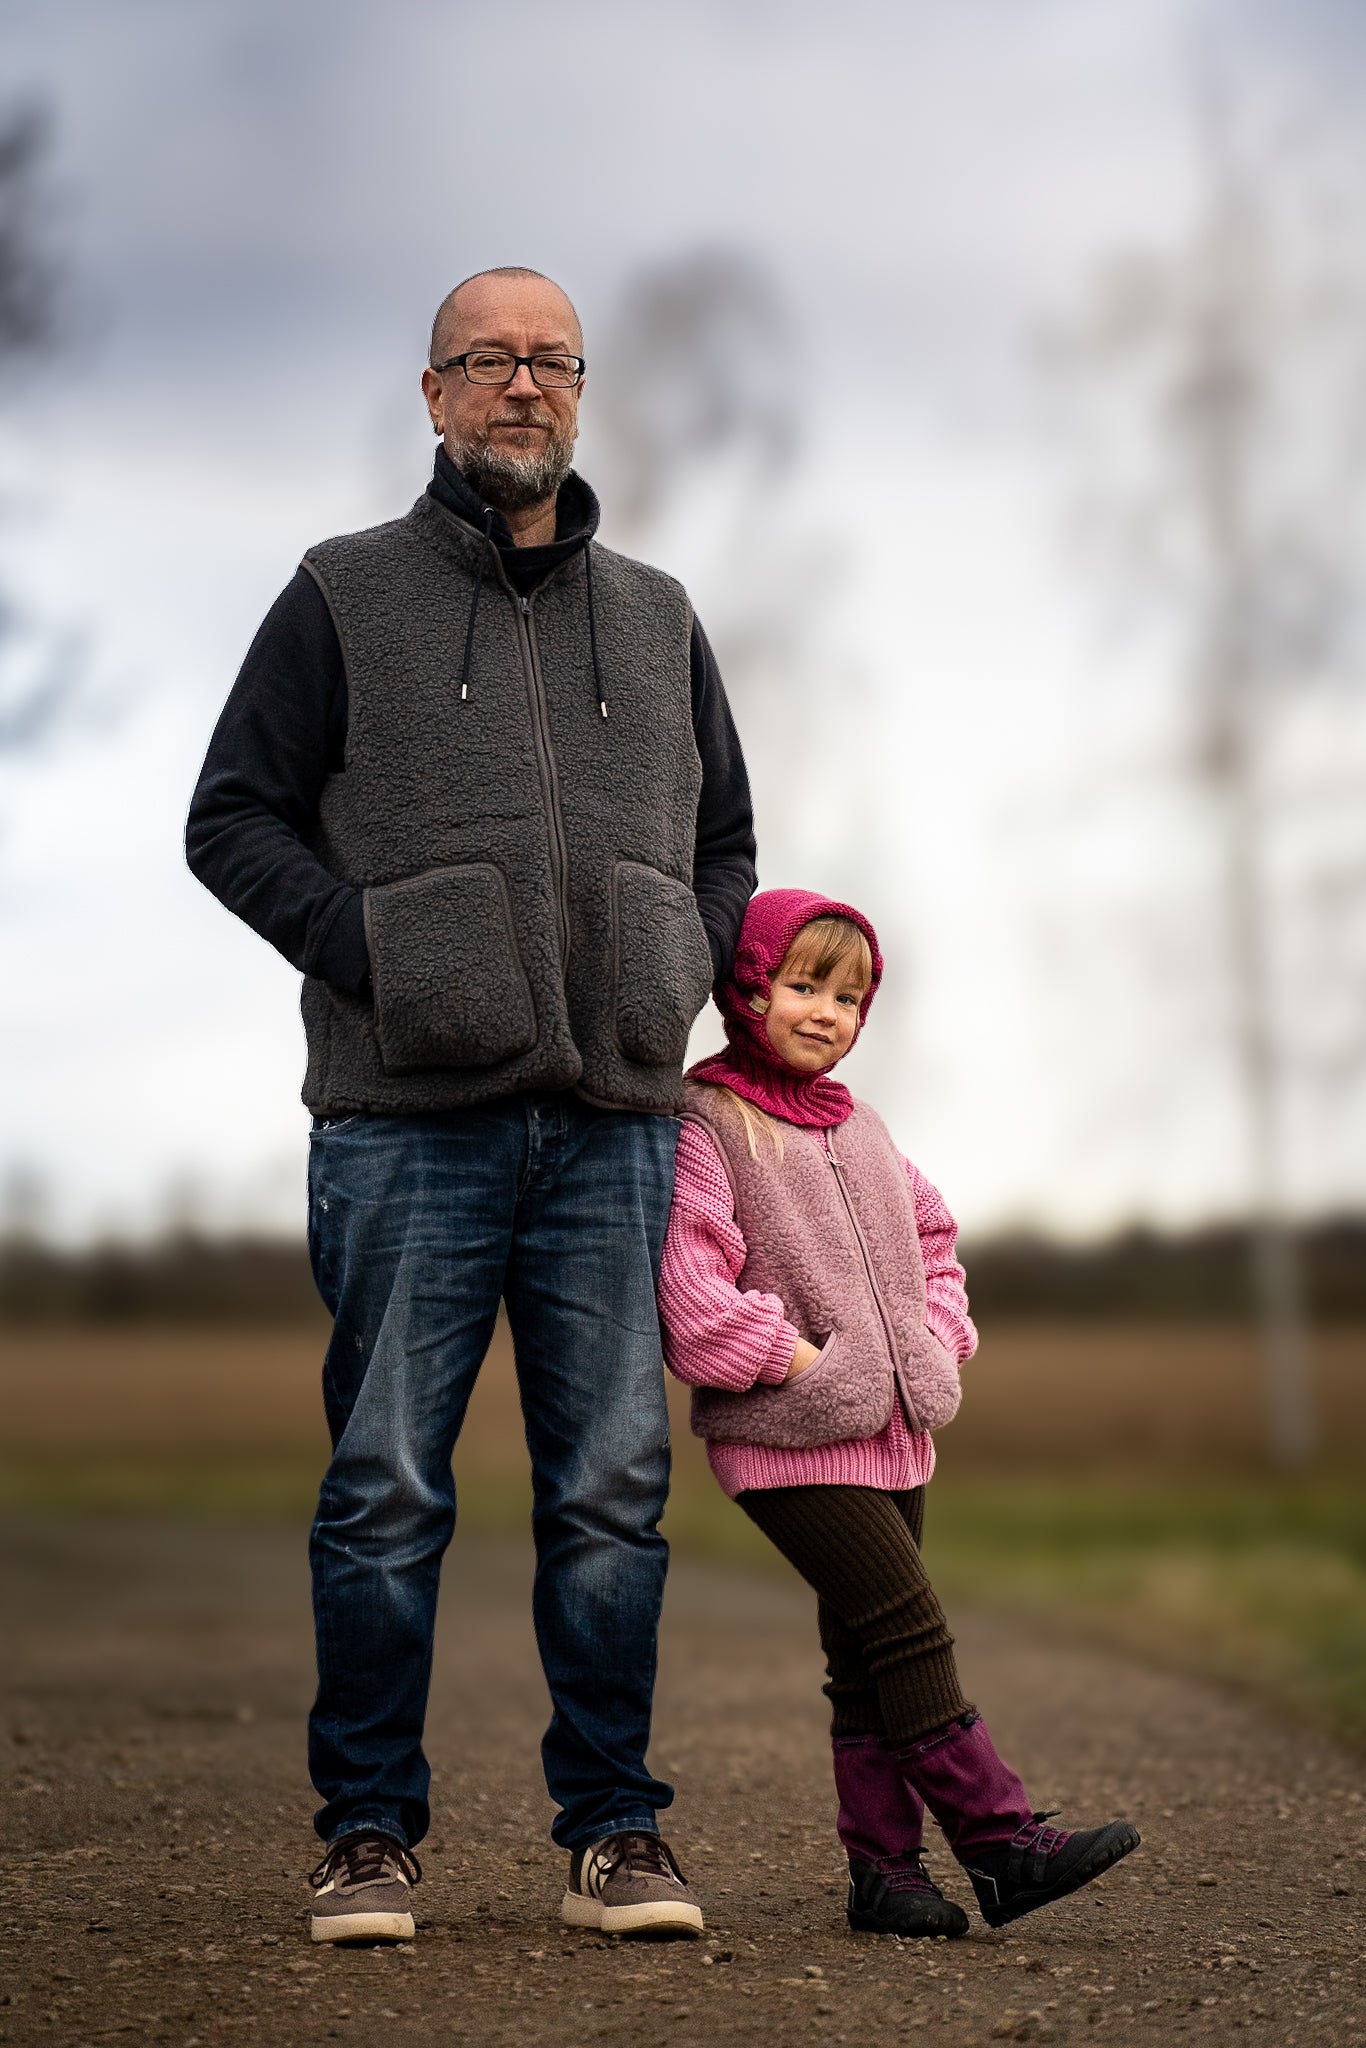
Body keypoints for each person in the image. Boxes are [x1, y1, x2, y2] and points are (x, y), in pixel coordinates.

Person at [186, 267, 758, 1943]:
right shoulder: (339, 593)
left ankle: (617, 1834)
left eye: (550, 360)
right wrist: (376, 948)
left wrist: (684, 958)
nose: (522, 385)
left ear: (580, 391)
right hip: (404, 1122)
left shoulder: (659, 615)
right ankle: (367, 1833)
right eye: (487, 360)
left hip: (617, 1123)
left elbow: (725, 840)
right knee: (385, 1487)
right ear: (431, 394)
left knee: (610, 1490)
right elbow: (230, 818)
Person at [658, 888, 1139, 1938]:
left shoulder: (863, 1127)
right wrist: (805, 1363)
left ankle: (884, 1874)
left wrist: (933, 1339)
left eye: (848, 996)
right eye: (804, 985)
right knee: (908, 1626)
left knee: (865, 1663)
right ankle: (1001, 1842)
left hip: (895, 1435)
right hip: (788, 1437)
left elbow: (934, 1240)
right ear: (749, 990)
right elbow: (692, 1295)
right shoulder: (709, 1124)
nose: (827, 1012)